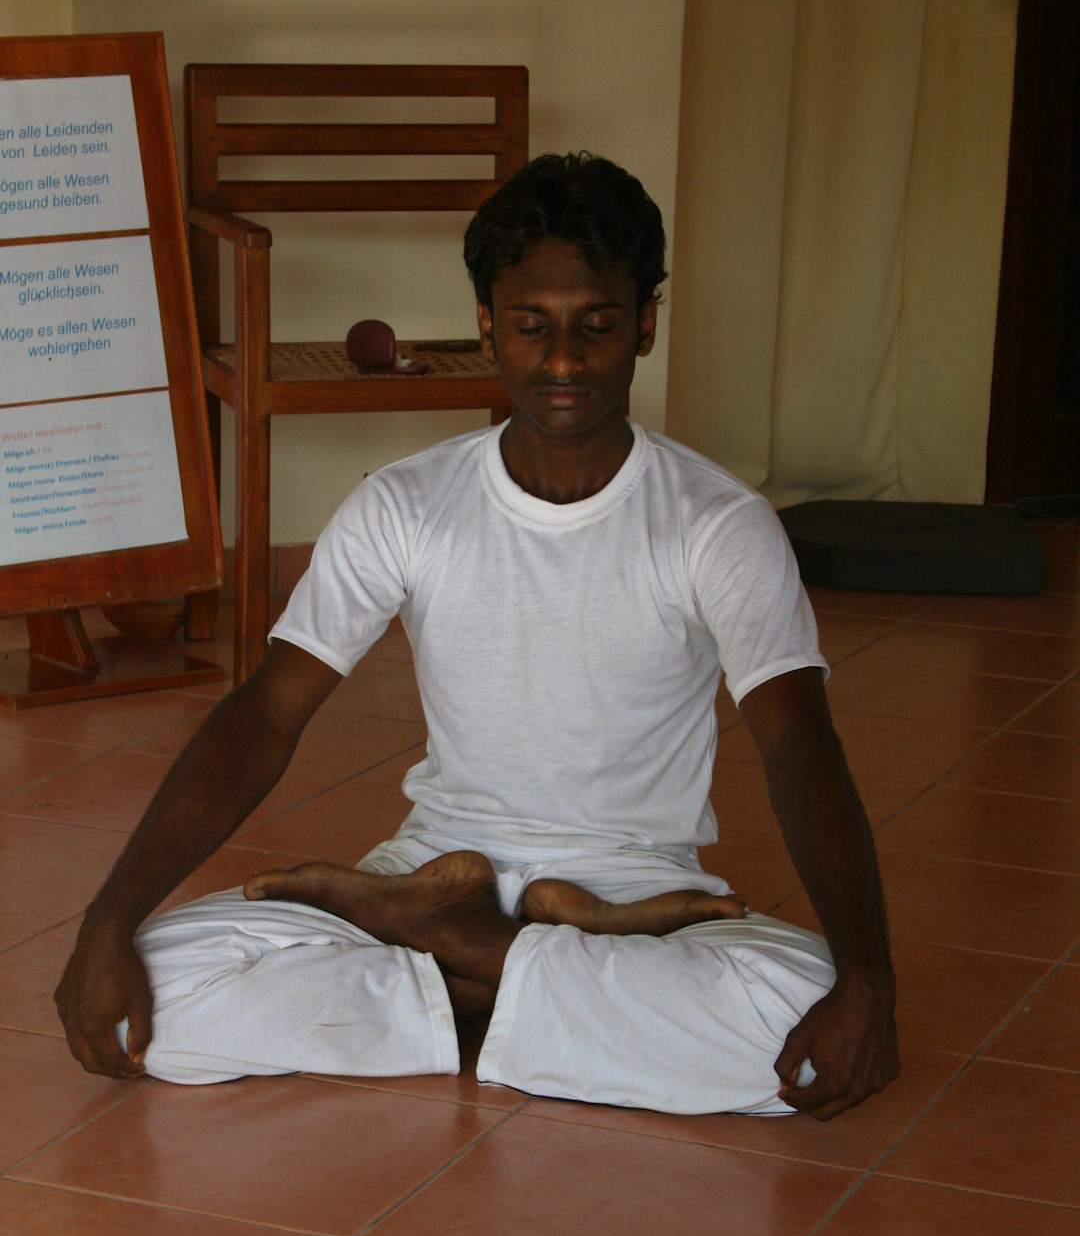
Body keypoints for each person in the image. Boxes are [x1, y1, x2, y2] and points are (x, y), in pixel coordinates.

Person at [55, 153, 898, 1120]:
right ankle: (524, 981)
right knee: (159, 984)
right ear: (489, 325)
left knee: (797, 1013)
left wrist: (867, 976)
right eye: (532, 326)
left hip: (634, 892)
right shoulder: (409, 504)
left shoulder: (717, 523)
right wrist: (110, 917)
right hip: (433, 871)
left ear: (645, 325)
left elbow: (797, 745)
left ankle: (458, 966)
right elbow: (266, 714)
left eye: (598, 326)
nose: (564, 362)